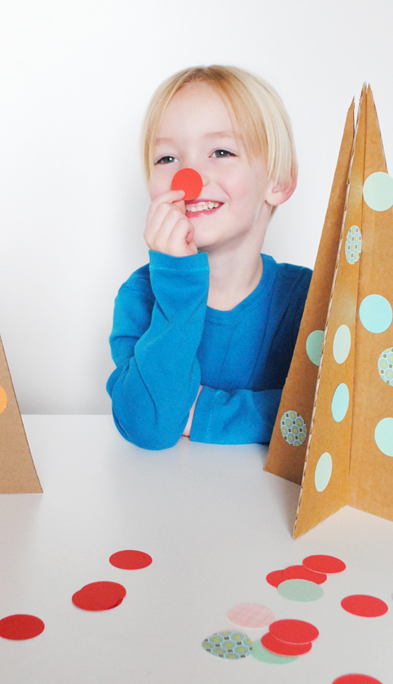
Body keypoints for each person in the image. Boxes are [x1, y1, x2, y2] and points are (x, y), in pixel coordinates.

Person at [106, 65, 311, 450]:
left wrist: (201, 413)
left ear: (278, 182)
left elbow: (328, 415)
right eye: (167, 159)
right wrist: (178, 282)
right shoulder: (139, 296)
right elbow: (148, 426)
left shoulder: (309, 300)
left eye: (221, 151)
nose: (189, 177)